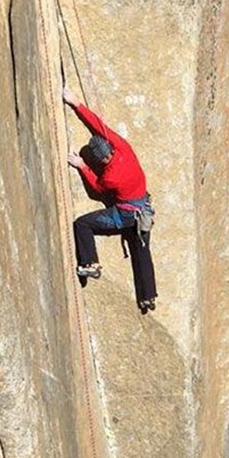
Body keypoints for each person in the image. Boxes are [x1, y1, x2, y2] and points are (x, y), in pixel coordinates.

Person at [63, 86, 157, 312]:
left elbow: (97, 189)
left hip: (124, 216)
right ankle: (148, 296)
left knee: (82, 224)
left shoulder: (110, 176)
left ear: (100, 160)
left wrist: (82, 166)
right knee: (141, 250)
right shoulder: (123, 147)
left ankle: (89, 263)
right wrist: (77, 104)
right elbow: (98, 125)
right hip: (143, 210)